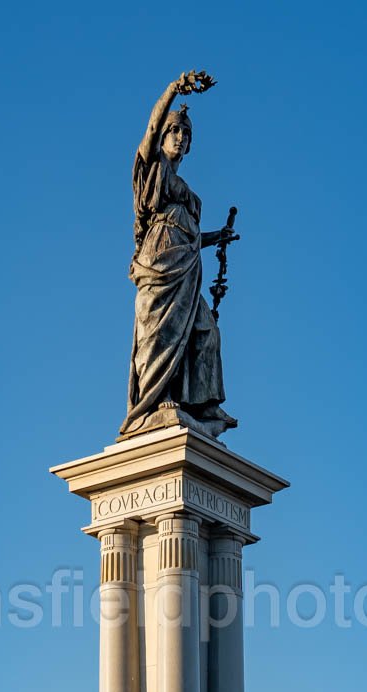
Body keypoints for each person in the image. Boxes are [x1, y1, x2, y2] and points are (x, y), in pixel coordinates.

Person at [120, 70, 239, 439]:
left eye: (187, 134)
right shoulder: (150, 170)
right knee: (162, 333)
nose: (181, 137)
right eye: (176, 131)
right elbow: (152, 129)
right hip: (159, 264)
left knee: (206, 331)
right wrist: (172, 90)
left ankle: (203, 405)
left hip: (187, 265)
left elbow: (187, 231)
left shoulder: (186, 189)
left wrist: (216, 236)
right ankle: (157, 402)